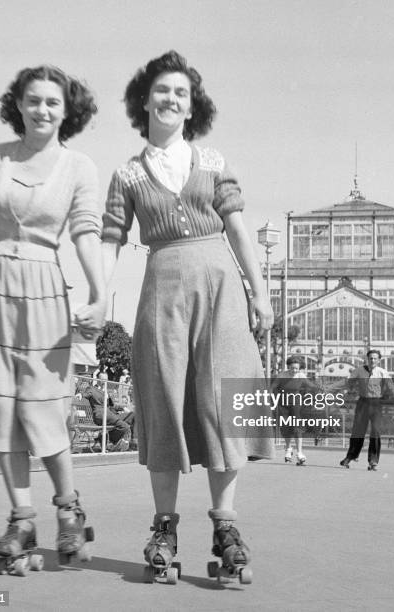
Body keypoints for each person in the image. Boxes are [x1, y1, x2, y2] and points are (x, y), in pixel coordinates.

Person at [102, 50, 274, 580]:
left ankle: (225, 527)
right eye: (162, 90)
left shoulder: (215, 162)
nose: (171, 98)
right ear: (144, 100)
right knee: (164, 400)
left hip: (221, 287)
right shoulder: (128, 174)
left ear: (192, 104)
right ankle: (164, 529)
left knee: (222, 399)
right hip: (163, 294)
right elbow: (110, 241)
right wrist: (91, 294)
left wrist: (260, 293)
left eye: (181, 92)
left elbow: (239, 232)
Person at [0, 64, 106, 564]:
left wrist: (101, 292)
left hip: (43, 291)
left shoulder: (78, 166)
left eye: (52, 103)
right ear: (17, 104)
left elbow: (85, 230)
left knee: (43, 406)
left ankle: (68, 510)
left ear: (67, 111)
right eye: (33, 100)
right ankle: (21, 519)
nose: (42, 110)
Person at [339, 349, 394, 471]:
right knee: (357, 432)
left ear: (379, 360)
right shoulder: (359, 371)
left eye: (375, 358)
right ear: (367, 359)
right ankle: (350, 457)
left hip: (376, 404)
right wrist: (329, 389)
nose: (372, 360)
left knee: (375, 432)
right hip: (363, 403)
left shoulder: (382, 372)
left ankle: (373, 461)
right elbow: (346, 383)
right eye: (370, 358)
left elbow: (393, 390)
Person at [271, 356, 320, 465]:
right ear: (288, 367)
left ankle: (299, 453)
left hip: (296, 403)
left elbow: (311, 386)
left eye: (297, 368)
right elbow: (273, 387)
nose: (294, 370)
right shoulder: (282, 376)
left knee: (297, 427)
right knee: (285, 426)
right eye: (292, 368)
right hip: (283, 403)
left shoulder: (301, 376)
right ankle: (288, 449)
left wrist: (320, 389)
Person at [82, 380, 134, 450]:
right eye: (102, 379)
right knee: (125, 426)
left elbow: (112, 406)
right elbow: (86, 393)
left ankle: (131, 442)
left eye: (105, 380)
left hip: (110, 414)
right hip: (102, 414)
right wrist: (80, 394)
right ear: (99, 380)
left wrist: (123, 408)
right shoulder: (92, 388)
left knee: (132, 415)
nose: (104, 382)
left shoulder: (105, 391)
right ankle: (111, 440)